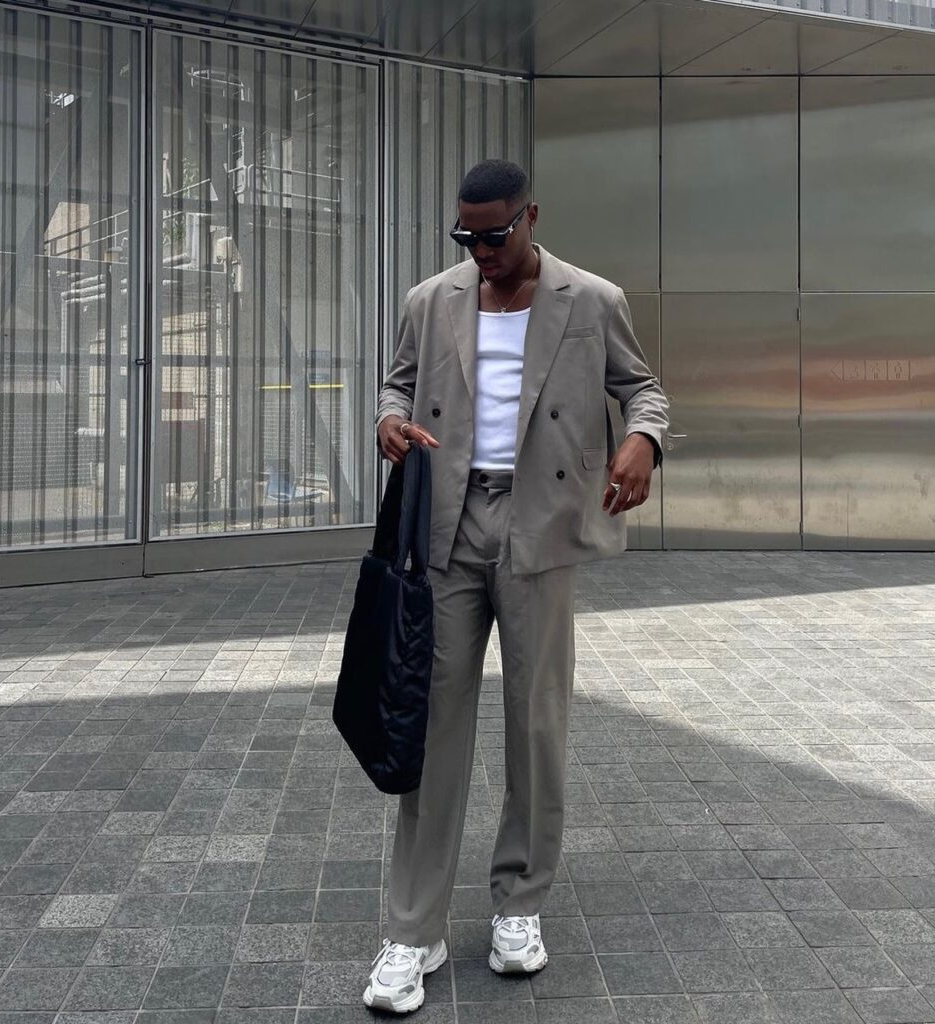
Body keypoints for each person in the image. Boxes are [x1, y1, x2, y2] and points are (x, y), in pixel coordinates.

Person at [364, 159, 669, 1013]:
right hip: (449, 528)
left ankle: (519, 905)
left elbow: (643, 389)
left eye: (495, 234)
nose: (481, 250)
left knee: (536, 726)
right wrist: (389, 419)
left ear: (530, 215)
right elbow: (396, 380)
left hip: (542, 525)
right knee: (432, 730)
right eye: (466, 235)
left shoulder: (592, 300)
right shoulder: (433, 300)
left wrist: (644, 441)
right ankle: (411, 930)